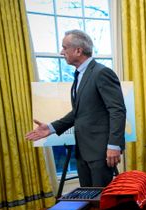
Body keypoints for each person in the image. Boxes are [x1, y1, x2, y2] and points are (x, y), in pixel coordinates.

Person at [25, 30, 126, 187]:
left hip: (101, 152)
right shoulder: (80, 75)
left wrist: (114, 145)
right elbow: (78, 114)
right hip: (83, 151)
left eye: (65, 48)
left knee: (102, 202)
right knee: (87, 199)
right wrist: (51, 128)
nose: (61, 52)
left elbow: (117, 110)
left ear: (78, 50)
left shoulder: (102, 73)